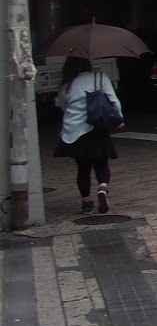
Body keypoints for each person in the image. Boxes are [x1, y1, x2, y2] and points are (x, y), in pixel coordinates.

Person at [53, 55, 122, 214]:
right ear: (88, 63)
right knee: (102, 163)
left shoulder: (67, 84)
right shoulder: (100, 77)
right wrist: (119, 119)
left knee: (83, 168)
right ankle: (103, 187)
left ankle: (86, 203)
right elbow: (113, 100)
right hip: (97, 127)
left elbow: (62, 105)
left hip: (76, 131)